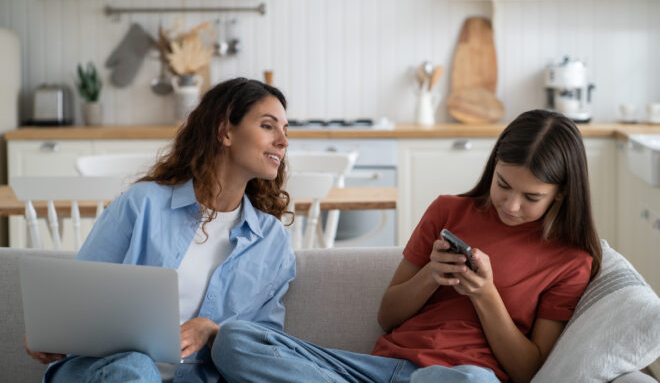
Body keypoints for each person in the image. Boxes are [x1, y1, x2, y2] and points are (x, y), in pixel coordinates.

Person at [212, 109, 602, 383]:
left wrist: (485, 295)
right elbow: (388, 316)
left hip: (457, 377)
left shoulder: (570, 261)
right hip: (376, 369)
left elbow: (527, 371)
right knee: (234, 340)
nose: (511, 205)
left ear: (561, 195)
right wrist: (432, 275)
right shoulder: (450, 210)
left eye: (531, 197)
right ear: (494, 166)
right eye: (503, 185)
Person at [23, 77, 296, 383]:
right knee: (135, 368)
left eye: (286, 130)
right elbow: (74, 299)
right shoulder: (143, 205)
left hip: (198, 377)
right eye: (268, 126)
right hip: (108, 371)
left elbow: (266, 349)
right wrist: (52, 333)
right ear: (224, 131)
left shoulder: (272, 241)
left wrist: (213, 332)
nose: (283, 141)